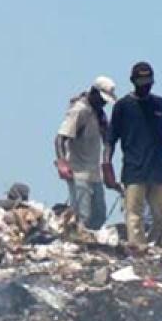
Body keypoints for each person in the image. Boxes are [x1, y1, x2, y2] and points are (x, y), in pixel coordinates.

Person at [103, 61, 162, 246]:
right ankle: (138, 249)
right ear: (133, 81)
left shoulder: (160, 104)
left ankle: (155, 246)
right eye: (141, 82)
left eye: (148, 82)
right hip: (134, 169)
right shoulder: (122, 106)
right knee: (134, 215)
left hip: (157, 169)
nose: (145, 86)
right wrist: (106, 165)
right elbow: (111, 140)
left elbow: (160, 138)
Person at [54, 76, 118, 230]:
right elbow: (60, 138)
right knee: (82, 216)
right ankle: (76, 238)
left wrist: (107, 166)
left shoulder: (99, 114)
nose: (103, 103)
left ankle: (90, 240)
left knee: (99, 215)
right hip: (78, 172)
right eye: (102, 99)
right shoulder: (80, 110)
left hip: (94, 172)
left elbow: (107, 140)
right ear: (94, 92)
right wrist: (62, 162)